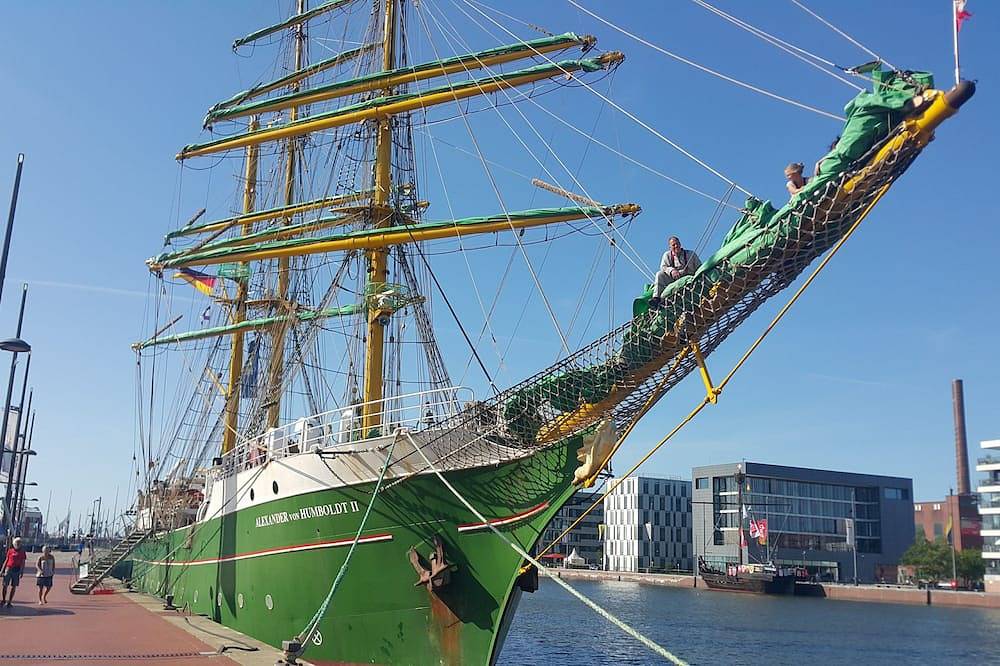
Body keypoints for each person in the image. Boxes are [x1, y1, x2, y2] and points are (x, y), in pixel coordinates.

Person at [649, 236, 700, 308]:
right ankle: (656, 299)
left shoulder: (691, 254)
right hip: (673, 279)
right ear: (670, 247)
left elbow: (699, 266)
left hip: (689, 278)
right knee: (659, 274)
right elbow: (663, 267)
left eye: (677, 244)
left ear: (680, 244)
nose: (676, 246)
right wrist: (672, 271)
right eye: (673, 245)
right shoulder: (667, 255)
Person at [1, 537, 27, 608]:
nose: (17, 544)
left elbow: (23, 562)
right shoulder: (10, 551)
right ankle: (3, 600)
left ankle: (9, 601)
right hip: (8, 569)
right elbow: (6, 560)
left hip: (16, 570)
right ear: (14, 543)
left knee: (14, 586)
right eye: (16, 543)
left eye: (19, 543)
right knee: (5, 585)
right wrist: (2, 570)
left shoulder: (22, 552)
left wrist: (22, 571)